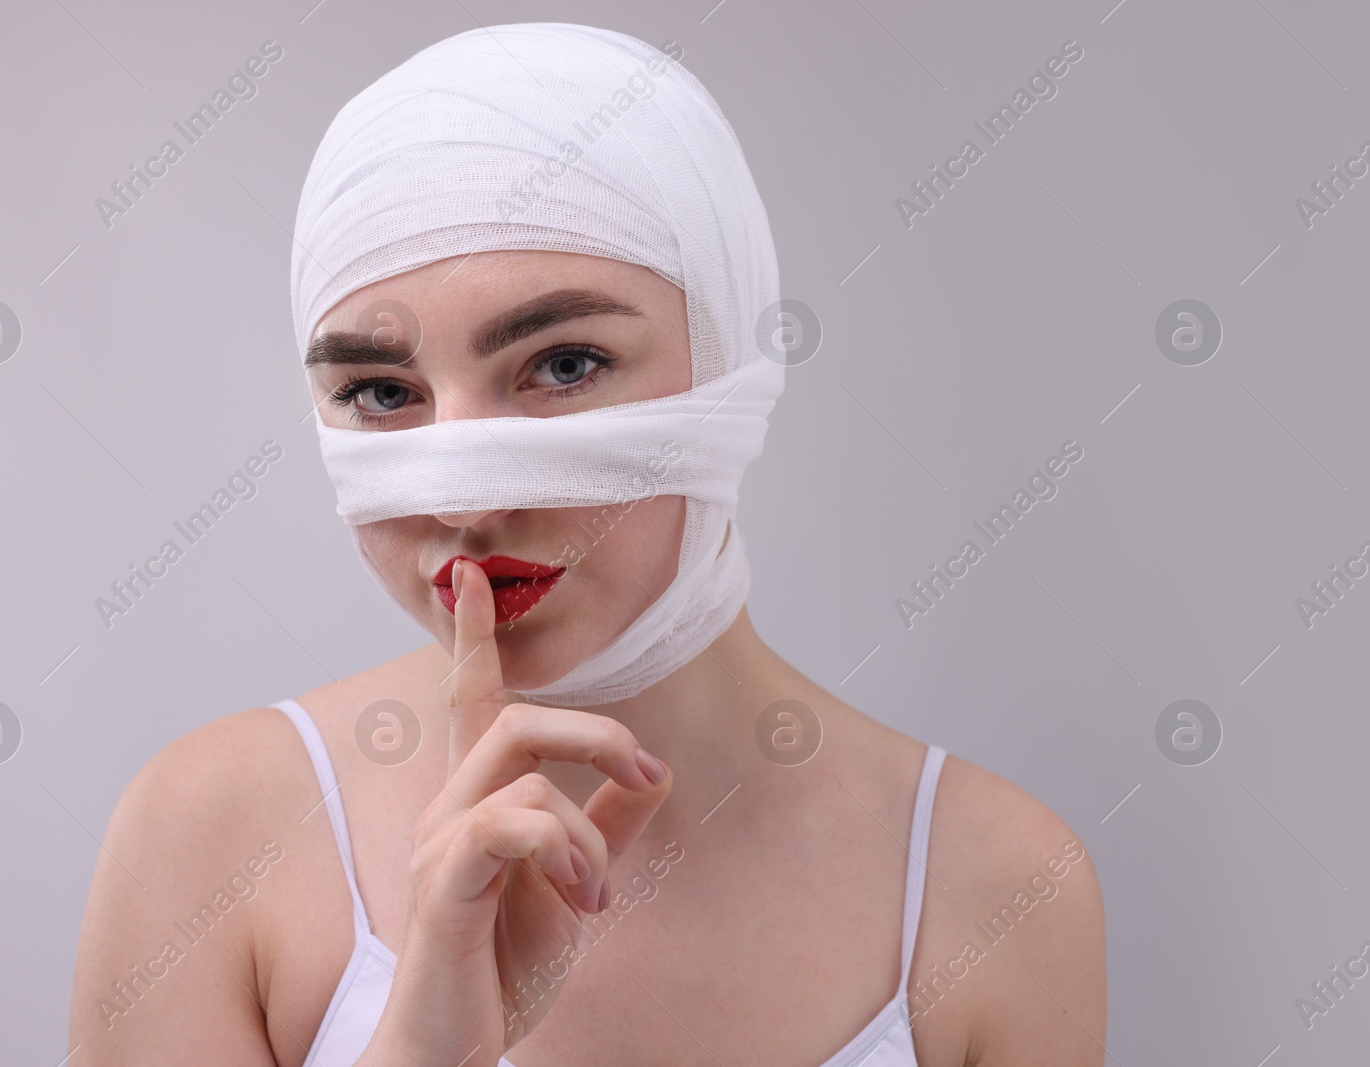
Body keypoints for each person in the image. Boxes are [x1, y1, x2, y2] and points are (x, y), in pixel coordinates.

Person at [68, 22, 1105, 1067]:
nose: (466, 500)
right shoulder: (212, 835)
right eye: (381, 393)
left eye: (563, 364)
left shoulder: (997, 883)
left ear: (729, 360)